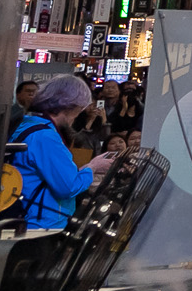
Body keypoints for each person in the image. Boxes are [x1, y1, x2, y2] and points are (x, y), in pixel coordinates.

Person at [12, 75, 116, 230]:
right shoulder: (45, 136)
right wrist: (92, 167)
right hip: (40, 223)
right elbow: (68, 187)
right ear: (70, 106)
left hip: (32, 218)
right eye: (80, 109)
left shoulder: (30, 126)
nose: (78, 115)